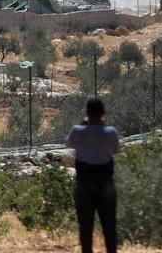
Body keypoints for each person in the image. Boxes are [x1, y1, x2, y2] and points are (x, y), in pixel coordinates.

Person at [65, 98, 121, 253]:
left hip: (84, 183)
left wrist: (84, 124)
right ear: (104, 113)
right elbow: (117, 150)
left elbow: (68, 144)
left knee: (85, 228)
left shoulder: (77, 131)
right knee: (109, 227)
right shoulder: (111, 132)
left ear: (86, 113)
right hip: (106, 183)